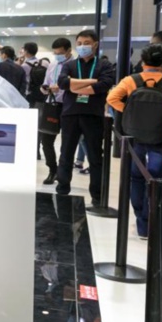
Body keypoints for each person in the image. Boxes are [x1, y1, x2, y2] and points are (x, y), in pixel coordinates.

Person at [107, 44, 162, 239]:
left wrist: (129, 112)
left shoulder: (131, 80)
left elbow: (112, 98)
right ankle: (150, 220)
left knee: (136, 177)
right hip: (161, 136)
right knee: (154, 178)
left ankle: (140, 220)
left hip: (135, 135)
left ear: (143, 61)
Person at [55, 30, 115, 207]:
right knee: (66, 152)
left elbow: (105, 84)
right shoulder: (70, 64)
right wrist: (91, 82)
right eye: (79, 43)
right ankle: (62, 188)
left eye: (86, 42)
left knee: (95, 157)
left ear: (95, 44)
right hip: (70, 114)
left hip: (93, 115)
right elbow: (63, 83)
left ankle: (97, 196)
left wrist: (76, 85)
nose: (82, 46)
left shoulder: (104, 65)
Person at [39, 38, 72, 185]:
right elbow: (46, 83)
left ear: (69, 51)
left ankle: (64, 173)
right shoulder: (52, 65)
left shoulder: (73, 65)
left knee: (67, 143)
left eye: (60, 53)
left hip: (68, 107)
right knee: (46, 141)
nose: (57, 55)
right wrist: (44, 88)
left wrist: (63, 87)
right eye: (55, 52)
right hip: (51, 105)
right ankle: (53, 169)